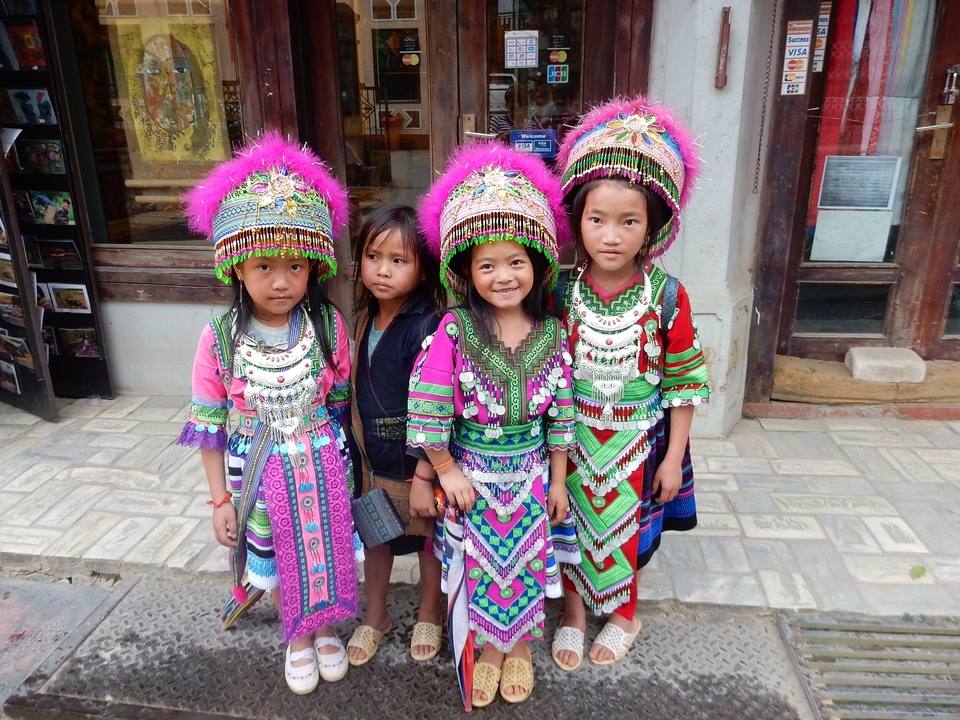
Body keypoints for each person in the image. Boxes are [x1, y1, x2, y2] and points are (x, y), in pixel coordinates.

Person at [179, 132, 360, 695]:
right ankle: (298, 634)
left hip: (324, 461)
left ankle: (327, 625)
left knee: (326, 543)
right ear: (235, 267)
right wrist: (218, 501)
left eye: (295, 266)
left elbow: (339, 404)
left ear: (313, 267)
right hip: (258, 468)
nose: (281, 281)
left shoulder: (327, 327)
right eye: (263, 266)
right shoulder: (220, 339)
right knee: (279, 552)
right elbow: (208, 427)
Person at [408, 142, 580, 709]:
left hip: (531, 474)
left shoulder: (553, 335)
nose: (503, 276)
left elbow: (560, 417)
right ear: (466, 272)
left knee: (530, 559)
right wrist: (445, 470)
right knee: (479, 564)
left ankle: (522, 647)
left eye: (516, 262)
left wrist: (557, 481)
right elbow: (428, 407)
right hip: (471, 477)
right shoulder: (454, 331)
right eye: (487, 265)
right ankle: (485, 648)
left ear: (539, 265)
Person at [550, 95, 710, 670]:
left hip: (640, 441)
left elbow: (684, 382)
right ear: (578, 222)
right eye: (597, 219)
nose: (611, 236)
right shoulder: (560, 293)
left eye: (629, 221)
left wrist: (675, 458)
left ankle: (623, 613)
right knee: (567, 523)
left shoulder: (668, 296)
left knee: (624, 533)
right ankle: (571, 611)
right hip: (572, 437)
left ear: (654, 227)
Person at [346, 204, 447, 666]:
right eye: (373, 256)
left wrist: (429, 467)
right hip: (372, 458)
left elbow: (437, 402)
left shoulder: (428, 326)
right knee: (376, 538)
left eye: (399, 260)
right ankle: (376, 614)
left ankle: (431, 610)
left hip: (415, 460)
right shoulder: (366, 317)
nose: (382, 270)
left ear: (423, 268)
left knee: (426, 538)